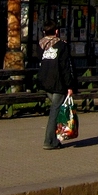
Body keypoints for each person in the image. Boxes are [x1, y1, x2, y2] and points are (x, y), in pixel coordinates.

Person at [38, 21, 76, 150]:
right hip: (58, 83)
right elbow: (65, 67)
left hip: (44, 82)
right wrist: (70, 85)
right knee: (54, 111)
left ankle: (55, 138)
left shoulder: (41, 45)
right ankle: (49, 141)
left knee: (56, 109)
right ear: (56, 32)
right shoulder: (61, 46)